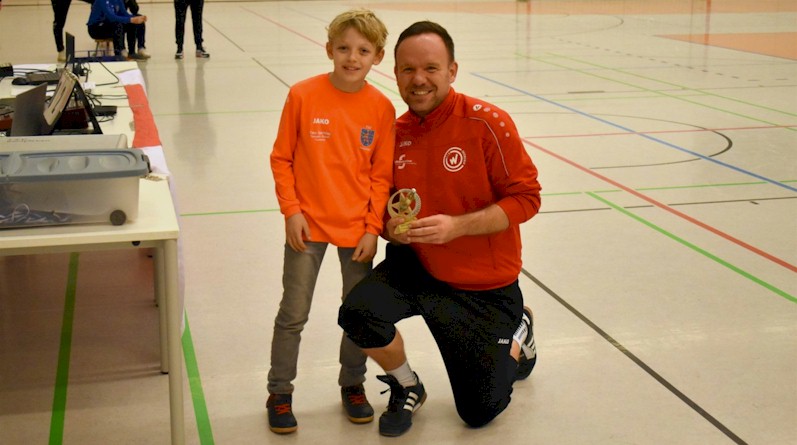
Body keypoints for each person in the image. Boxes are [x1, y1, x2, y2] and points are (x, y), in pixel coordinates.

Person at [338, 20, 542, 437]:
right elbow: (383, 210)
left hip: (482, 285)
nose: (419, 80)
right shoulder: (393, 134)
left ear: (452, 70)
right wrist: (392, 230)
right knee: (357, 314)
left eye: (431, 68)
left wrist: (459, 227)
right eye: (408, 70)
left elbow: (527, 198)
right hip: (418, 268)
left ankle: (520, 327)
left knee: (479, 412)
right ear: (394, 74)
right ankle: (407, 385)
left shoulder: (488, 123)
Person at [266, 8, 395, 435]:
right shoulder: (303, 95)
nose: (352, 58)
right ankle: (280, 392)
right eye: (344, 48)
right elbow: (281, 158)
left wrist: (373, 228)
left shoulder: (381, 107)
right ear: (329, 50)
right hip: (307, 228)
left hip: (356, 231)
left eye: (362, 50)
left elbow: (381, 175)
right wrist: (292, 211)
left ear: (377, 56)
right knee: (293, 313)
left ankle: (352, 384)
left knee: (356, 313)